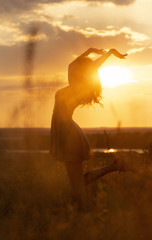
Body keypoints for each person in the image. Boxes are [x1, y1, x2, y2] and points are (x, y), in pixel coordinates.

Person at [50, 48, 127, 208]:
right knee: (78, 182)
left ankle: (85, 211)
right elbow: (73, 64)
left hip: (68, 134)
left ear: (82, 73)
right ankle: (113, 167)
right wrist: (90, 51)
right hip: (66, 131)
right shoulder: (73, 85)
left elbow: (89, 67)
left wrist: (108, 53)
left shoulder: (78, 88)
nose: (72, 68)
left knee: (77, 184)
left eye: (77, 68)